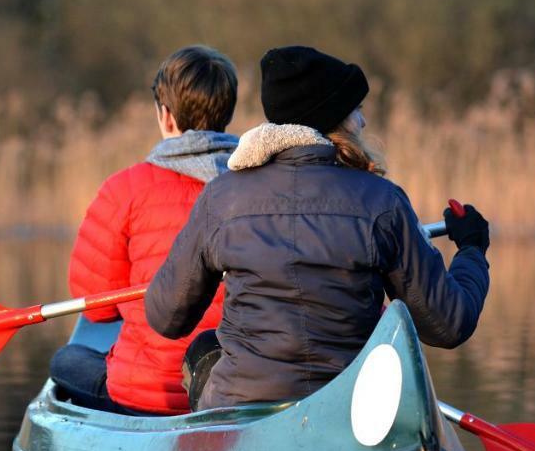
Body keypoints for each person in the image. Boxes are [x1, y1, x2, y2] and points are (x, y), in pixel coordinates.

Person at [146, 45, 491, 410]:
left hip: (240, 408)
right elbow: (448, 324)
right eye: (356, 111)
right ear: (334, 119)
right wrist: (471, 249)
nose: (363, 122)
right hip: (348, 412)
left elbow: (165, 317)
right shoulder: (382, 201)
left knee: (204, 348)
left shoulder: (221, 197)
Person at [49, 45, 240, 415]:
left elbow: (96, 306)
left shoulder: (124, 189)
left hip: (148, 394)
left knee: (67, 360)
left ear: (165, 116)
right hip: (235, 389)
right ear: (226, 114)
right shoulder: (258, 189)